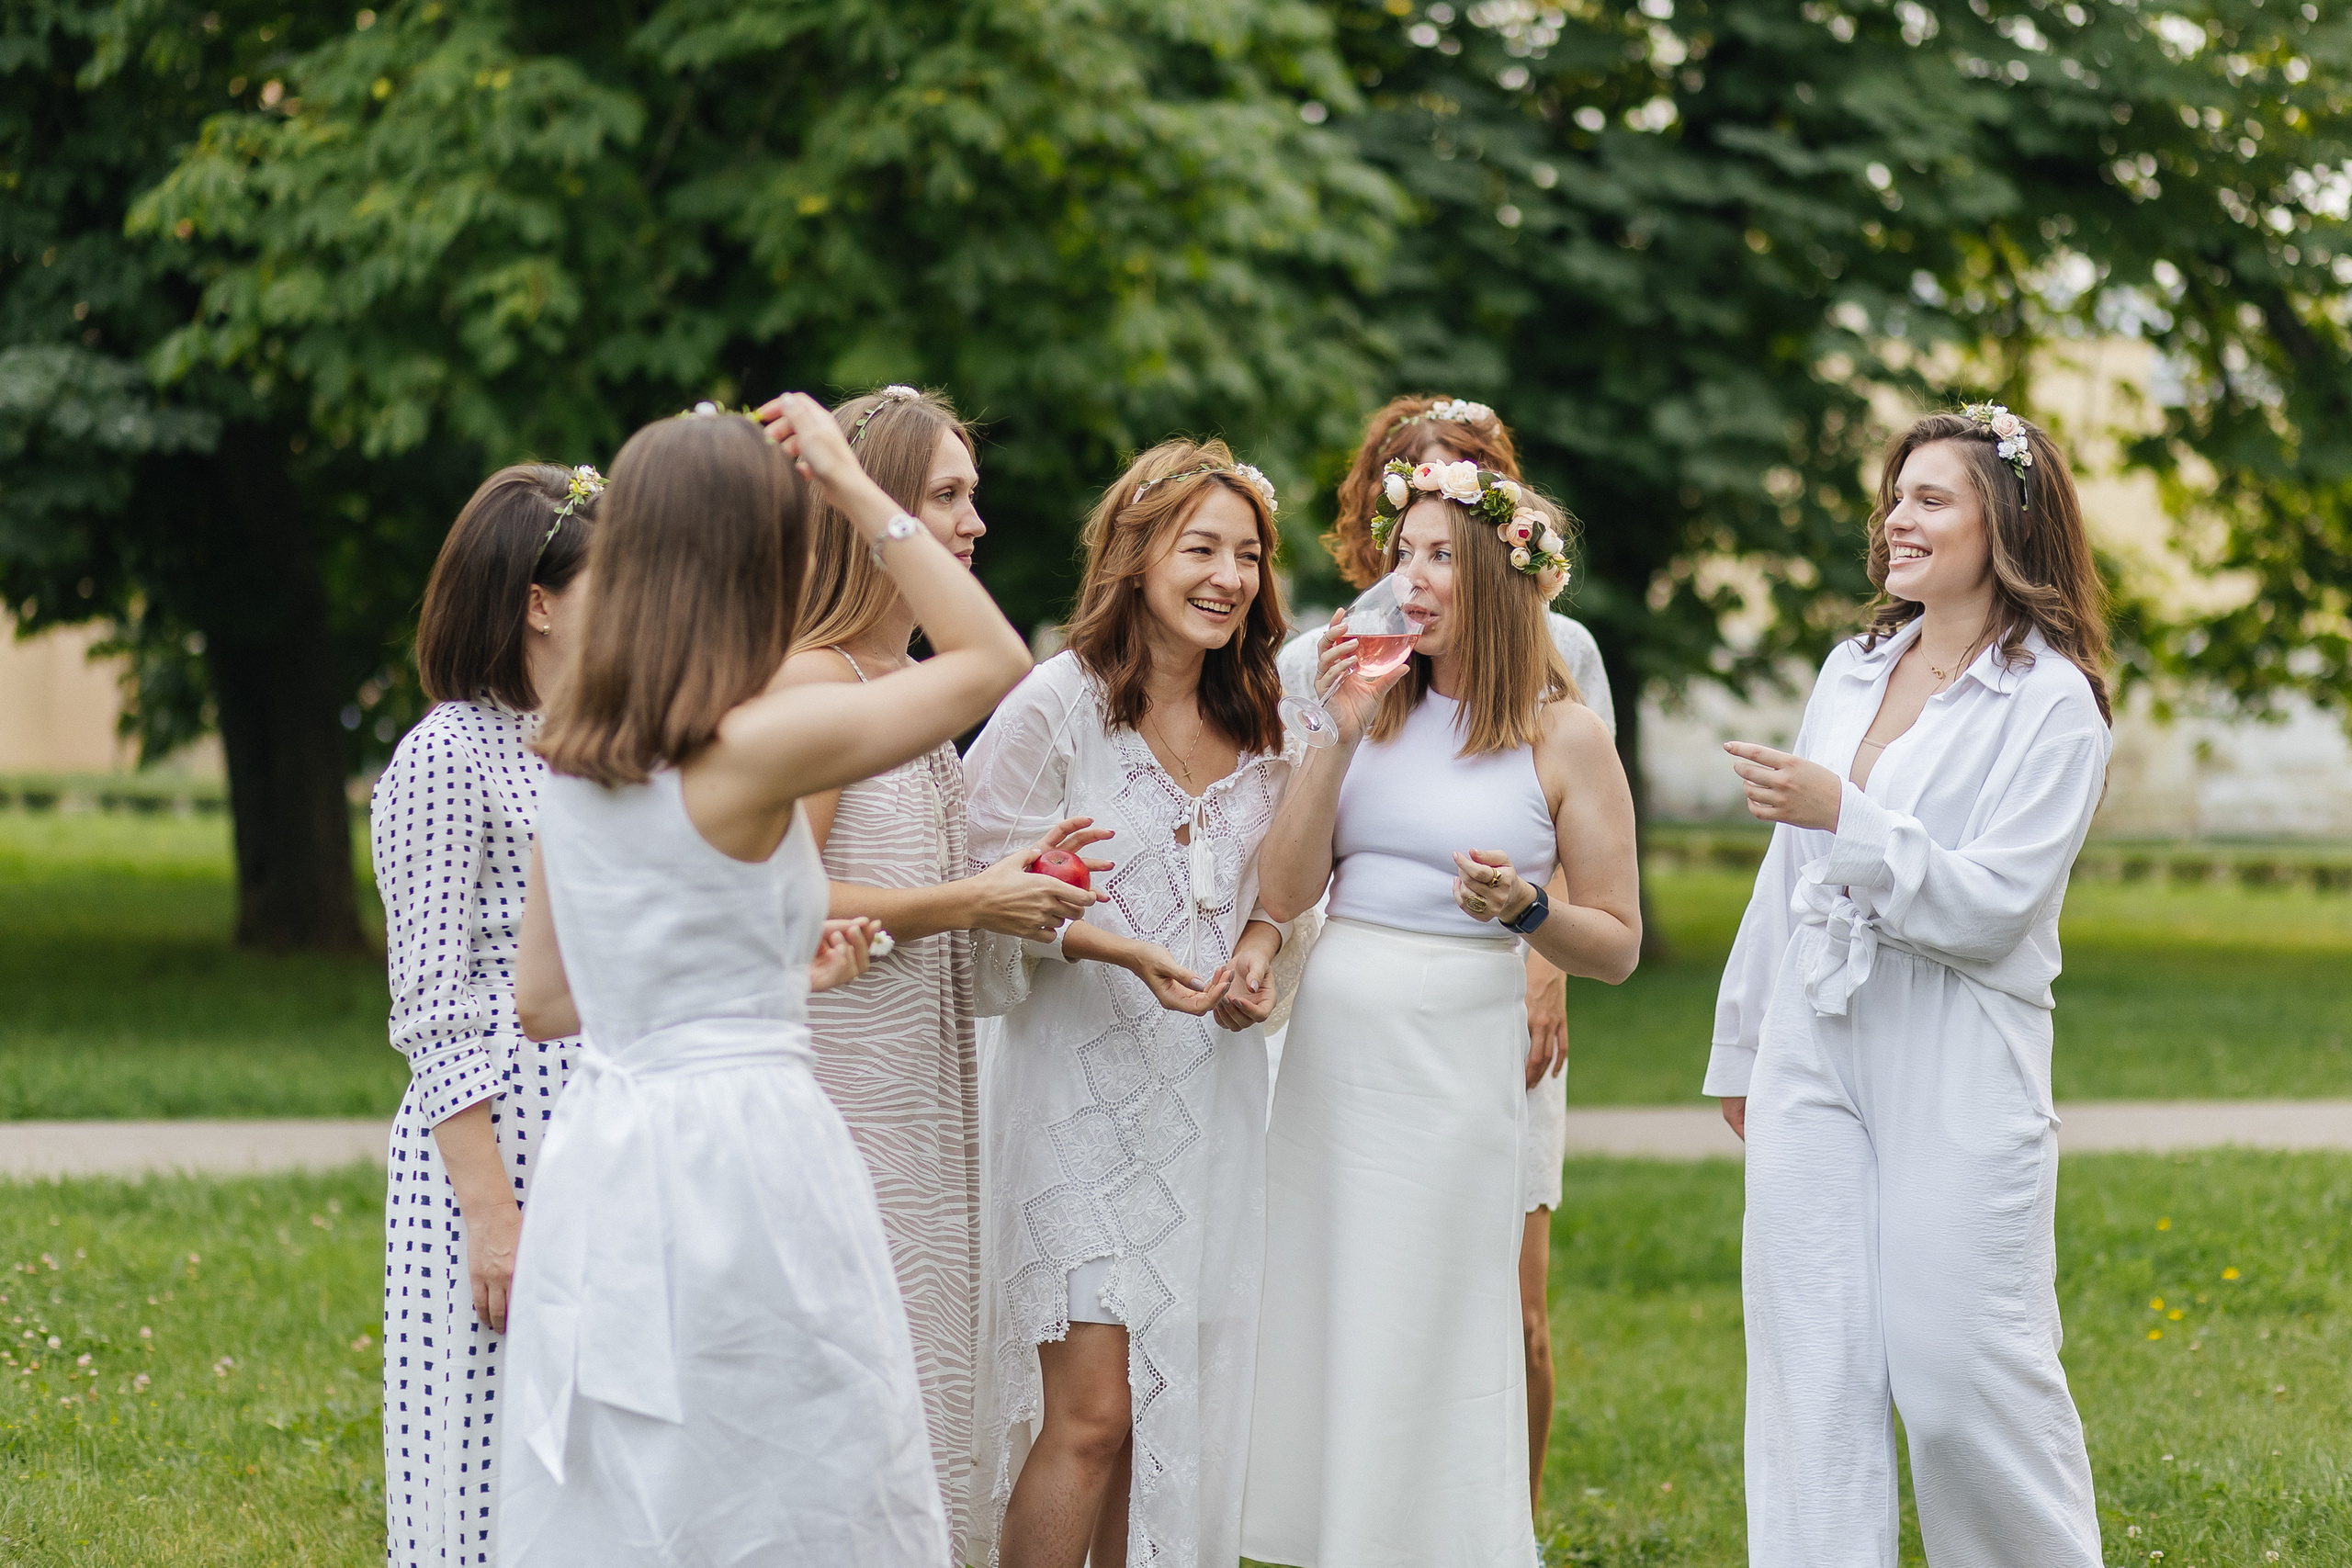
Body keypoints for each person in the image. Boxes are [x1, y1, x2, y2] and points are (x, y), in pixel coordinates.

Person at [495, 398, 1033, 1565]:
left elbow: (547, 1002)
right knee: (792, 1472)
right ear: (761, 557)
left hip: (607, 1158)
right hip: (740, 1158)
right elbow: (994, 660)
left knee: (642, 1478)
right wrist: (848, 480)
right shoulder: (756, 749)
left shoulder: (573, 761)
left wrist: (770, 972)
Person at [1707, 405, 2113, 1568]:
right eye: (1895, 497)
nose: (1896, 519)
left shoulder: (2053, 702)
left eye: (1930, 498)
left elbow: (1995, 909)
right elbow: (1783, 879)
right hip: (1813, 1039)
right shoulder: (1854, 668)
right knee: (1810, 1369)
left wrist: (1849, 817)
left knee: (1957, 1369)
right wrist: (1746, 1045)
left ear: (2008, 524)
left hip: (1959, 1043)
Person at [1245, 462, 1640, 1567]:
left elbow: (1615, 940)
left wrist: (1524, 910)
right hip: (1337, 1049)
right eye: (1400, 551)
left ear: (1503, 579)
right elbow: (1282, 890)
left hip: (1462, 1051)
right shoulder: (1364, 705)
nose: (1404, 578)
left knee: (1439, 1319)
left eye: (1435, 557)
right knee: (1333, 1305)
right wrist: (1335, 729)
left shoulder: (1564, 737)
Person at [777, 383, 1102, 1545]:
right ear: (874, 517)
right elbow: (784, 903)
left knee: (926, 1385)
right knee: (867, 1394)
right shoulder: (813, 682)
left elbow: (905, 870)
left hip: (923, 1084)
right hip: (847, 1084)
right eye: (946, 495)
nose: (972, 524)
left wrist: (1016, 875)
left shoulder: (897, 686)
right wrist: (973, 897)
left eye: (973, 497)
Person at [964, 439, 1292, 1568]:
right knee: (1092, 1412)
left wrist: (1257, 957)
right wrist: (1103, 939)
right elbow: (973, 888)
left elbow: (1296, 894)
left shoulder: (1264, 718)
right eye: (1201, 548)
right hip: (1078, 1104)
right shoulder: (1054, 707)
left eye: (1247, 555)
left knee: (1156, 1411)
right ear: (1136, 555)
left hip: (1205, 1109)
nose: (1228, 577)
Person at [372, 459, 601, 1568]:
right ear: (538, 602)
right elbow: (433, 1005)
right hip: (496, 1141)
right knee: (481, 1449)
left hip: (602, 1125)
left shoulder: (607, 747)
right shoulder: (446, 755)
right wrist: (493, 1217)